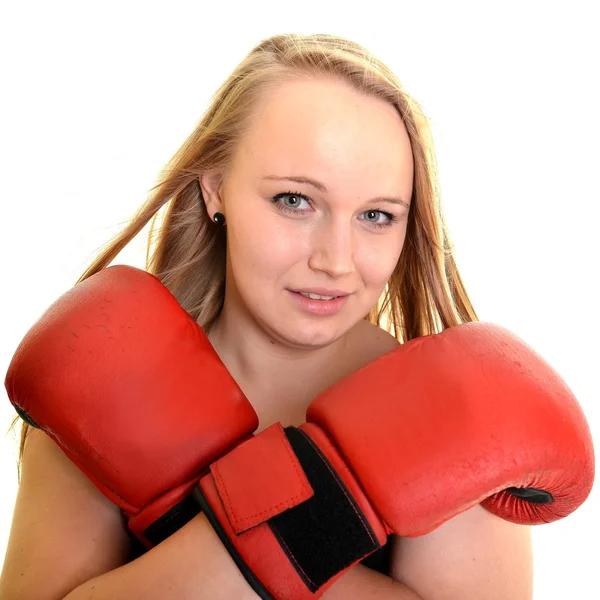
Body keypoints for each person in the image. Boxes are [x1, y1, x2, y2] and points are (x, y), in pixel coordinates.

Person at [0, 33, 536, 599]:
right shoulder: (104, 381)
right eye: (294, 201)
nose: (335, 260)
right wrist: (306, 522)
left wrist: (206, 522)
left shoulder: (449, 413)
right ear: (216, 189)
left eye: (376, 215)